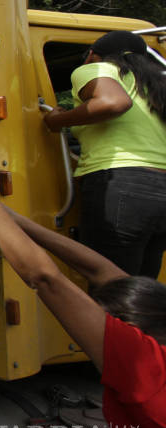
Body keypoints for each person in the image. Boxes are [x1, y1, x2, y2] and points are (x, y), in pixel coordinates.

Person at [0, 190, 166, 428]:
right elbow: (102, 272)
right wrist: (12, 220)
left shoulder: (146, 365)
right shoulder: (157, 324)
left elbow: (45, 278)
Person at [42, 30, 166, 278]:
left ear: (92, 55)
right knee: (142, 292)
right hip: (161, 192)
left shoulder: (97, 68)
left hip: (122, 184)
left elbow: (113, 103)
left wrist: (58, 120)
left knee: (112, 288)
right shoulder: (154, 85)